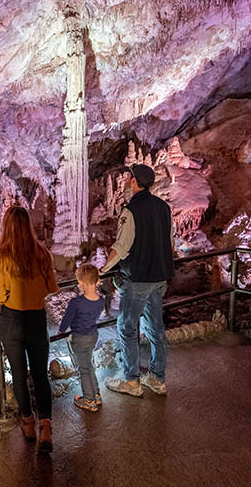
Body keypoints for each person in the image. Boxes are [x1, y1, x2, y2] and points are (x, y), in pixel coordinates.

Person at [100, 164, 174, 397]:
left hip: (138, 279)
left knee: (127, 327)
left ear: (133, 181)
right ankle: (157, 378)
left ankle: (132, 381)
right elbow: (169, 243)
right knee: (156, 327)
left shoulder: (130, 211)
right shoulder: (163, 208)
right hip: (159, 277)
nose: (126, 181)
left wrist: (102, 269)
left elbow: (121, 248)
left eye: (128, 177)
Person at [0, 206, 59, 453]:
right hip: (36, 319)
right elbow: (52, 287)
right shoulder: (42, 253)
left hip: (12, 320)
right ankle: (46, 427)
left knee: (18, 374)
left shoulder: (0, 258)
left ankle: (28, 423)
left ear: (6, 227)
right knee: (40, 374)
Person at [58, 263, 105, 412]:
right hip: (92, 336)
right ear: (98, 281)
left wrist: (61, 330)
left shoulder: (76, 302)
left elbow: (67, 319)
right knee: (88, 364)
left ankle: (89, 399)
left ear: (80, 283)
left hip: (79, 338)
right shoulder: (101, 300)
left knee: (83, 369)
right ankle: (96, 393)